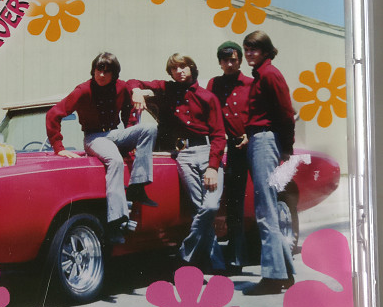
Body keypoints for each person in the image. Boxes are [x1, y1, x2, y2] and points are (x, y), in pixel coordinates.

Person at [129, 54, 227, 273]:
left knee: (210, 206)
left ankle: (185, 256)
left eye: (183, 66)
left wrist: (213, 166)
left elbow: (219, 135)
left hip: (207, 152)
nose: (179, 71)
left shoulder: (207, 97)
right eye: (174, 68)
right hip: (183, 155)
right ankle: (217, 265)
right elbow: (133, 82)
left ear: (191, 67)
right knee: (199, 209)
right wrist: (136, 91)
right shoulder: (167, 89)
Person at [46, 52, 158, 244]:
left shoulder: (121, 87)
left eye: (107, 71)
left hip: (115, 134)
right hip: (94, 137)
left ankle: (138, 187)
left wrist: (130, 134)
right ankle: (116, 222)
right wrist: (59, 147)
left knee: (149, 128)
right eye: (98, 70)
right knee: (115, 160)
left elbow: (129, 110)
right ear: (93, 70)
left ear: (114, 73)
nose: (101, 75)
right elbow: (53, 114)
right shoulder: (83, 90)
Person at [241, 30, 296, 295]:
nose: (249, 54)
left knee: (265, 210)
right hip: (258, 139)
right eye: (246, 49)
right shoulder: (261, 75)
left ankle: (273, 278)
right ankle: (285, 273)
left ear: (265, 51)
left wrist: (286, 148)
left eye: (253, 49)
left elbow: (286, 113)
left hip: (265, 140)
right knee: (268, 208)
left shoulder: (270, 75)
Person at [207, 41, 253, 275]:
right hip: (228, 148)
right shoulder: (214, 84)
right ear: (220, 62)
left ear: (240, 61)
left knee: (256, 202)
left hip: (250, 146)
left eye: (233, 60)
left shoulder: (252, 84)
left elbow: (261, 113)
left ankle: (276, 261)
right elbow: (208, 112)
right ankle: (234, 258)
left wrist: (250, 134)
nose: (229, 64)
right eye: (225, 60)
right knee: (233, 204)